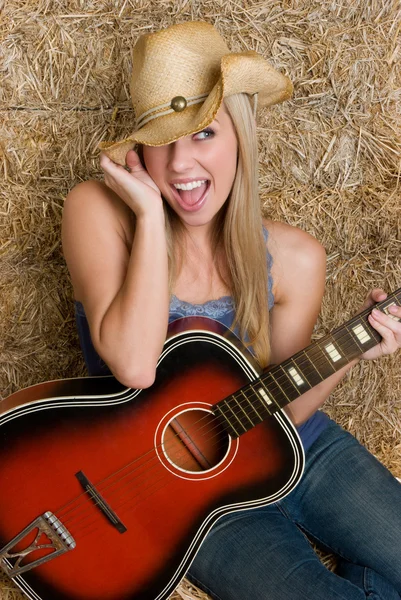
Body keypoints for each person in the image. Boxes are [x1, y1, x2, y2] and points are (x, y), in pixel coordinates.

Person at [62, 20, 401, 600]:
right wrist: (147, 215)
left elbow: (286, 411)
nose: (179, 165)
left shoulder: (294, 258)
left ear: (241, 136)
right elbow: (135, 367)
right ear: (139, 149)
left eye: (203, 134)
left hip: (300, 447)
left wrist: (360, 345)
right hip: (183, 492)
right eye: (162, 139)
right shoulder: (98, 212)